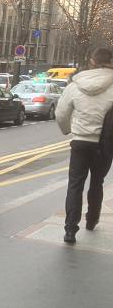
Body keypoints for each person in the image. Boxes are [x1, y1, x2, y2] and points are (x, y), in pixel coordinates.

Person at [56, 48, 113, 243]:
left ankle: (70, 230)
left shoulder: (75, 84)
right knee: (97, 183)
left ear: (92, 62)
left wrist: (67, 130)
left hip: (80, 142)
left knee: (75, 185)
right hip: (104, 144)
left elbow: (61, 114)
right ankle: (92, 220)